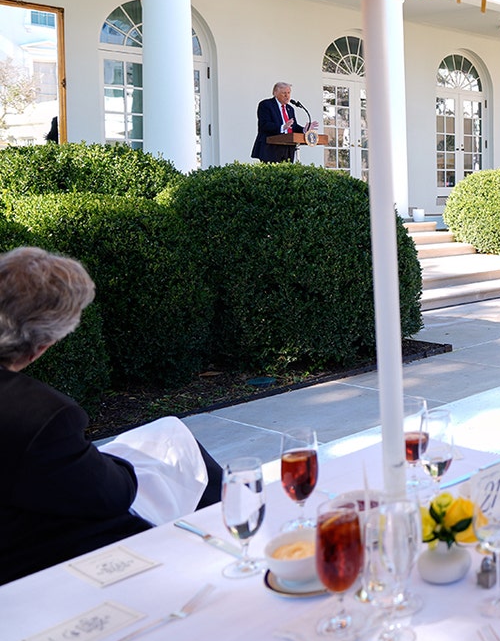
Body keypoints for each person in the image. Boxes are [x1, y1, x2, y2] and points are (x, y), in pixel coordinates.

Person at [0, 247, 223, 585]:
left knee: (168, 435)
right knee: (174, 453)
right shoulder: (38, 415)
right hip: (30, 559)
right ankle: (229, 559)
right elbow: (112, 495)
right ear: (43, 345)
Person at [251, 81, 305, 163]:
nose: (287, 96)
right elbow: (264, 125)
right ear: (275, 93)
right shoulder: (266, 105)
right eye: (284, 93)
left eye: (289, 93)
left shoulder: (290, 109)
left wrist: (304, 129)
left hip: (288, 149)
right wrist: (282, 127)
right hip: (270, 148)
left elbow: (293, 126)